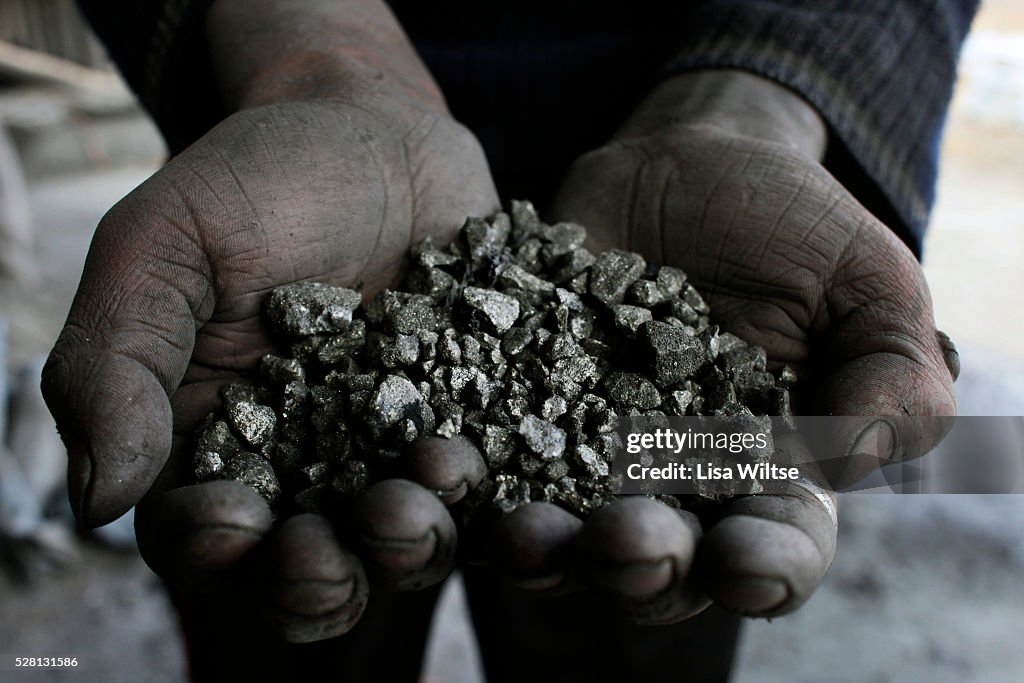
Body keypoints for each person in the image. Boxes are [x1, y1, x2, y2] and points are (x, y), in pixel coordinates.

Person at [44, 1, 971, 680]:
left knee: (636, 602)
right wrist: (314, 40)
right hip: (287, 131)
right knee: (286, 612)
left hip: (696, 127)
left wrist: (771, 81)